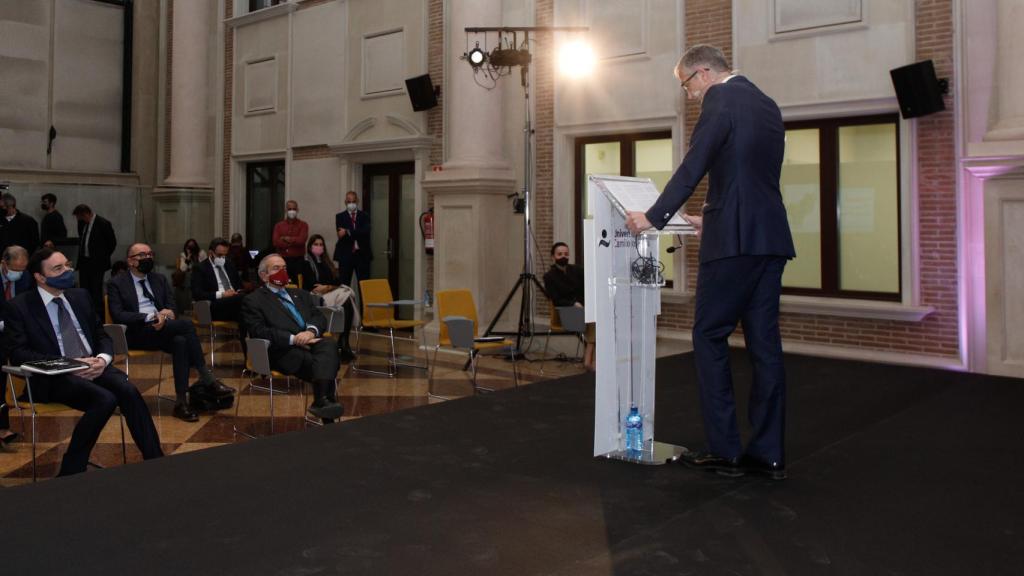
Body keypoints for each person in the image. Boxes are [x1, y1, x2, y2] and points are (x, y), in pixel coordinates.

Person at [625, 45, 795, 480]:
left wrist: (653, 217)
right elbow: (749, 178)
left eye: (687, 86)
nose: (690, 96)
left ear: (703, 74)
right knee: (764, 346)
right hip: (770, 237)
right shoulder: (767, 103)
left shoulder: (721, 98)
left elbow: (694, 164)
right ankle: (768, 454)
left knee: (708, 335)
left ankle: (725, 450)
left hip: (734, 244)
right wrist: (711, 218)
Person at [1, 248, 163, 476]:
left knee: (128, 391)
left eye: (67, 265)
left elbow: (101, 335)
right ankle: (71, 470)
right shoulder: (20, 306)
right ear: (40, 277)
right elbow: (18, 353)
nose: (67, 271)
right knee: (104, 399)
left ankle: (156, 461)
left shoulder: (80, 296)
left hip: (93, 366)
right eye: (58, 268)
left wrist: (102, 359)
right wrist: (68, 363)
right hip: (52, 376)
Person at [107, 243, 235, 422]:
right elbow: (118, 314)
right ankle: (206, 376)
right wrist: (151, 316)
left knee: (181, 342)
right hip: (136, 333)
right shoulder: (117, 283)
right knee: (187, 326)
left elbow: (172, 305)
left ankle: (181, 403)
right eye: (142, 255)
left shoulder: (159, 279)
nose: (148, 258)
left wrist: (169, 314)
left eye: (150, 254)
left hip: (164, 329)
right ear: (131, 261)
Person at [241, 254, 343, 422]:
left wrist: (310, 331)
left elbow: (319, 317)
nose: (282, 272)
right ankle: (324, 407)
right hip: (280, 349)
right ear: (263, 275)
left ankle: (321, 403)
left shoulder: (300, 294)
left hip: (311, 341)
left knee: (329, 346)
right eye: (276, 268)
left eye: (284, 268)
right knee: (324, 362)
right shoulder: (253, 300)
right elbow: (259, 331)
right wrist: (293, 338)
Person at [301, 234, 356, 362]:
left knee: (346, 297)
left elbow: (337, 280)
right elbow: (312, 285)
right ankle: (344, 342)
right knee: (346, 297)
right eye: (316, 244)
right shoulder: (306, 262)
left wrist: (328, 287)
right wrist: (329, 286)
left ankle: (343, 340)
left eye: (321, 245)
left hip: (329, 293)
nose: (319, 247)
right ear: (310, 246)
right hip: (315, 297)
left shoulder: (326, 262)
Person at [543, 242, 595, 371]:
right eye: (559, 254)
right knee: (595, 320)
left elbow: (589, 285)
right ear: (553, 257)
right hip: (564, 312)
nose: (563, 257)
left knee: (596, 316)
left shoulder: (577, 270)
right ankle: (590, 361)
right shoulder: (549, 277)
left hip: (583, 311)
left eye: (566, 254)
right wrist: (573, 303)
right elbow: (556, 300)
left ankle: (588, 360)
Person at [0, 245, 32, 448]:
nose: (19, 274)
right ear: (4, 263)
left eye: (23, 269)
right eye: (16, 269)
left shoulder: (25, 277)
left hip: (15, 332)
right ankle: (2, 427)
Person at [73, 204, 117, 318]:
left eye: (81, 217)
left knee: (96, 290)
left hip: (97, 263)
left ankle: (97, 315)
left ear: (87, 214)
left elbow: (112, 243)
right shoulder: (82, 223)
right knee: (84, 289)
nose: (80, 220)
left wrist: (102, 257)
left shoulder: (103, 223)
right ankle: (85, 312)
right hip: (84, 262)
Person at [334, 191, 372, 294]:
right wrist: (355, 232)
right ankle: (346, 310)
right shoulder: (340, 216)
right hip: (346, 255)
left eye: (353, 201)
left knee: (364, 288)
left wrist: (347, 231)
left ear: (357, 201)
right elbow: (341, 235)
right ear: (345, 202)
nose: (351, 203)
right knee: (344, 288)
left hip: (362, 255)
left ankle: (364, 310)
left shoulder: (364, 216)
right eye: (349, 201)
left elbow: (365, 232)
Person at [272, 200, 308, 281]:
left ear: (297, 210)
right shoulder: (279, 226)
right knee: (282, 284)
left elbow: (302, 240)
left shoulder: (303, 225)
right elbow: (276, 242)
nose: (292, 211)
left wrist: (285, 239)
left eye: (294, 209)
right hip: (282, 261)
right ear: (286, 210)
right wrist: (294, 240)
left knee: (298, 285)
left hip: (298, 261)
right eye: (289, 209)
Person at [174, 238, 206, 313]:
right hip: (189, 277)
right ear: (186, 247)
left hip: (200, 275)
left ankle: (198, 308)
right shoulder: (183, 254)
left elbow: (204, 266)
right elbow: (183, 269)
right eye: (189, 246)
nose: (191, 248)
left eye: (193, 246)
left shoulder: (201, 253)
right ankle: (189, 308)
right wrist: (188, 256)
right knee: (189, 279)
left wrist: (197, 258)